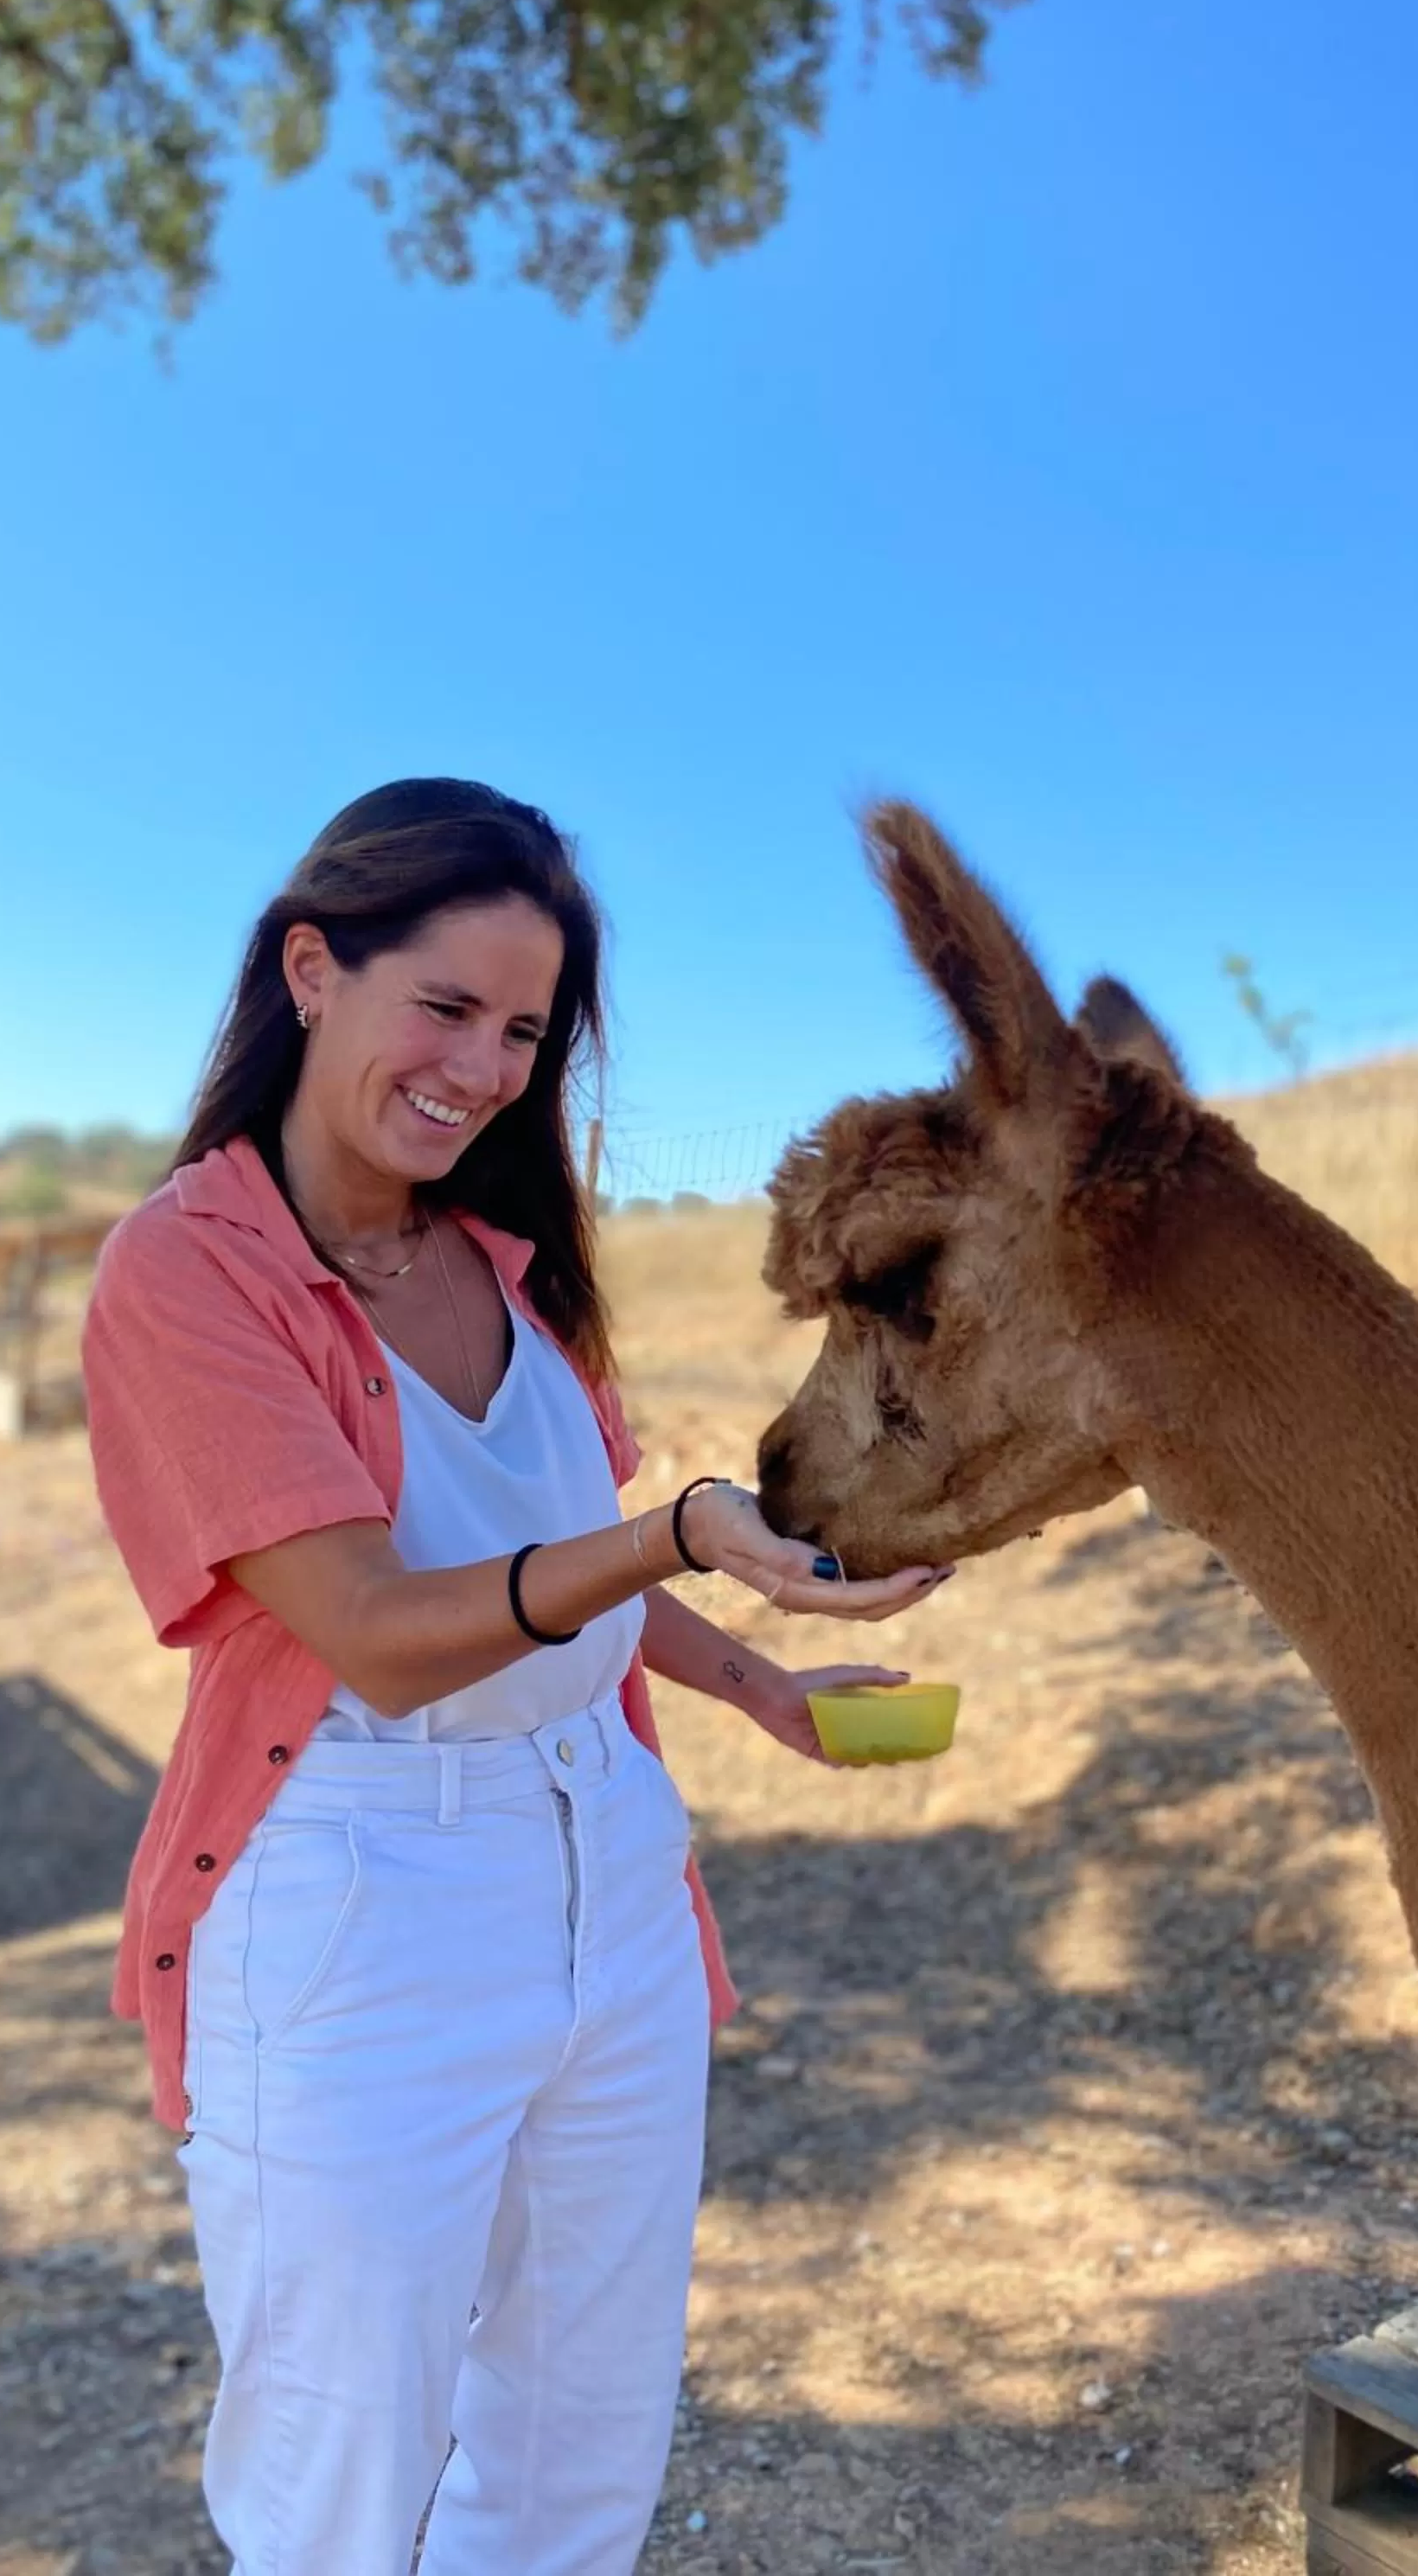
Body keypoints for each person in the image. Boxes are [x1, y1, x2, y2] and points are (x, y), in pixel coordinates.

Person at [81, 777, 949, 2576]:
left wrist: (755, 1684)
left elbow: (556, 1575)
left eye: (526, 1033)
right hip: (360, 1896)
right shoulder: (187, 1273)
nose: (483, 1068)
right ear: (312, 971)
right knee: (340, 2475)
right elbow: (386, 1632)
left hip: (607, 1867)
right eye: (448, 1007)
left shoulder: (511, 1263)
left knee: (578, 2448)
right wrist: (681, 1536)